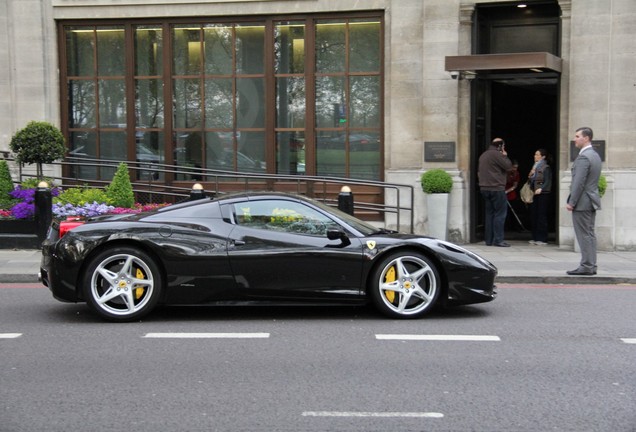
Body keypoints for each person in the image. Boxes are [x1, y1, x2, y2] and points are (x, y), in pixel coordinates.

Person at [566, 127, 602, 275]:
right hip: (591, 200)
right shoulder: (595, 155)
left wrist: (571, 202)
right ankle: (591, 265)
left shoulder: (583, 157)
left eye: (577, 136)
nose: (575, 139)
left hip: (582, 202)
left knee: (584, 234)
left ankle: (587, 265)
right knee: (589, 233)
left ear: (586, 138)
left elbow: (578, 182)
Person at [478, 137, 513, 247]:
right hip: (496, 188)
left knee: (489, 214)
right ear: (500, 146)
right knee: (500, 214)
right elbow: (508, 167)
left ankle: (489, 240)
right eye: (503, 146)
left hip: (484, 188)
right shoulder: (497, 154)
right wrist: (505, 155)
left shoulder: (484, 155)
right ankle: (498, 240)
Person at [528, 149, 552, 245]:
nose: (535, 156)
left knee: (541, 215)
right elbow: (531, 180)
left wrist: (541, 188)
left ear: (543, 156)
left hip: (543, 194)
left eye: (537, 154)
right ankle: (535, 237)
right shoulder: (535, 167)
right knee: (534, 215)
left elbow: (548, 180)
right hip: (535, 193)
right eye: (535, 154)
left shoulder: (546, 167)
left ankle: (542, 238)